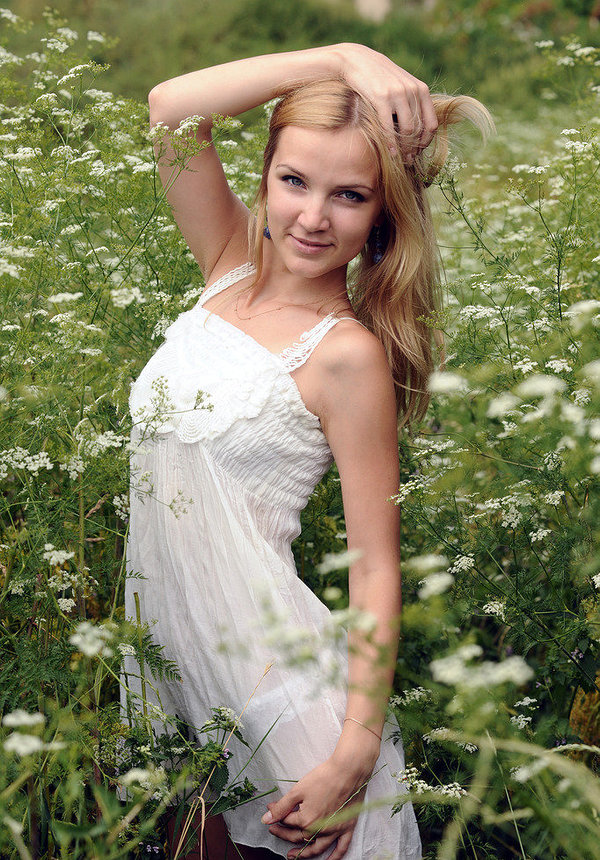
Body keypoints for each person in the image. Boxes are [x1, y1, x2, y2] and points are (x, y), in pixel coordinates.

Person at [120, 43, 491, 860]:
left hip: (280, 699)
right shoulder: (226, 268)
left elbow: (375, 567)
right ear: (264, 179)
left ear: (383, 215)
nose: (314, 217)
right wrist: (342, 58)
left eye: (349, 195)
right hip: (181, 681)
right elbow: (171, 107)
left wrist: (354, 751)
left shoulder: (345, 355)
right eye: (294, 181)